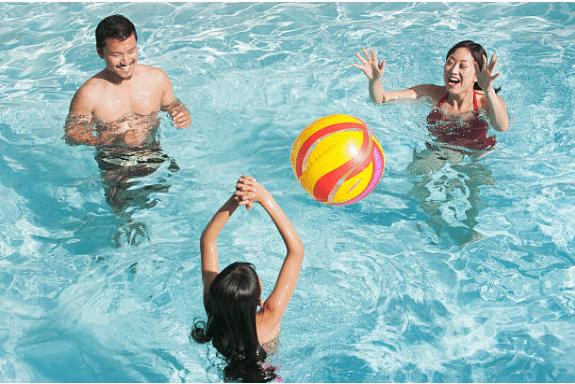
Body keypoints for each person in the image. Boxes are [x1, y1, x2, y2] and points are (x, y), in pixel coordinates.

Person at [191, 175, 304, 383]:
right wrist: (264, 198)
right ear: (259, 300)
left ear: (216, 291)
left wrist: (237, 198)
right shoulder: (269, 317)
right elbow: (296, 250)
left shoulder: (213, 309)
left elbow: (208, 239)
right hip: (268, 374)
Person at [354, 40, 509, 154]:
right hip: (441, 148)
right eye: (450, 62)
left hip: (478, 151)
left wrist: (488, 90)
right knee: (419, 172)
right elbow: (381, 100)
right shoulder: (431, 93)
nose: (453, 70)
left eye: (462, 66)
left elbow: (501, 127)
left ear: (477, 75)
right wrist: (374, 81)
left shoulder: (485, 100)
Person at [64, 14, 191, 147]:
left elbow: (172, 105)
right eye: (116, 54)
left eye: (131, 51)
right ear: (100, 53)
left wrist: (181, 115)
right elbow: (72, 136)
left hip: (155, 154)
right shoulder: (89, 94)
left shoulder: (157, 78)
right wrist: (116, 141)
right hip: (113, 162)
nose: (126, 61)